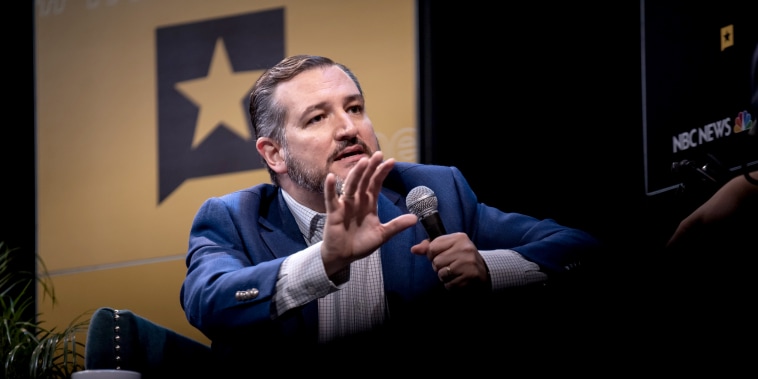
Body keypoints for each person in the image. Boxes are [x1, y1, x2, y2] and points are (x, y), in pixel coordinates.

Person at [179, 55, 601, 367]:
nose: (348, 128)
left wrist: (491, 268)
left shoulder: (431, 191)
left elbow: (580, 248)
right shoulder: (235, 217)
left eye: (355, 107)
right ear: (275, 154)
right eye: (317, 118)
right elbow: (206, 301)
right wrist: (325, 261)